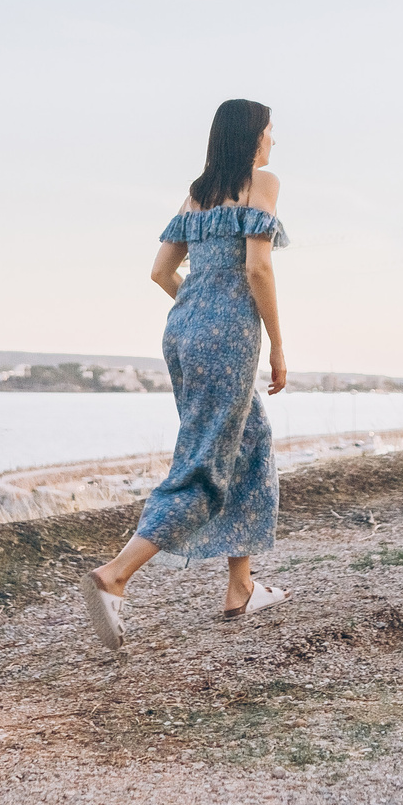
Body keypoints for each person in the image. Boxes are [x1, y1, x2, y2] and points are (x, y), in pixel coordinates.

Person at [79, 99, 292, 650]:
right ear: (252, 138)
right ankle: (116, 575)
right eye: (269, 133)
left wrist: (199, 313)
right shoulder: (261, 183)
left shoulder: (197, 193)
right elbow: (257, 266)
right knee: (205, 463)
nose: (272, 143)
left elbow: (160, 271)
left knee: (249, 442)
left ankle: (241, 587)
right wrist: (275, 343)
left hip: (183, 330)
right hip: (228, 337)